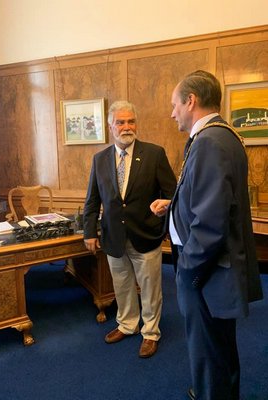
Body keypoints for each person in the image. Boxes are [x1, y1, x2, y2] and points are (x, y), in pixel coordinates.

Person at [150, 70, 263, 399]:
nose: (172, 113)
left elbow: (211, 222)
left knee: (209, 350)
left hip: (206, 271)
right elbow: (212, 199)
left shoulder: (210, 142)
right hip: (212, 268)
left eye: (174, 105)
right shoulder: (221, 135)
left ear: (191, 101)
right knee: (217, 349)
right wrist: (174, 205)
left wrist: (187, 270)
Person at [83, 100, 177, 358]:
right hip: (113, 237)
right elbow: (92, 199)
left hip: (146, 235)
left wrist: (165, 219)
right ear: (110, 126)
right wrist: (89, 232)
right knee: (122, 285)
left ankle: (150, 332)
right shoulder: (99, 159)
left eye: (131, 121)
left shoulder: (154, 154)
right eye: (121, 122)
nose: (127, 127)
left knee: (150, 288)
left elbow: (173, 194)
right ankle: (127, 324)